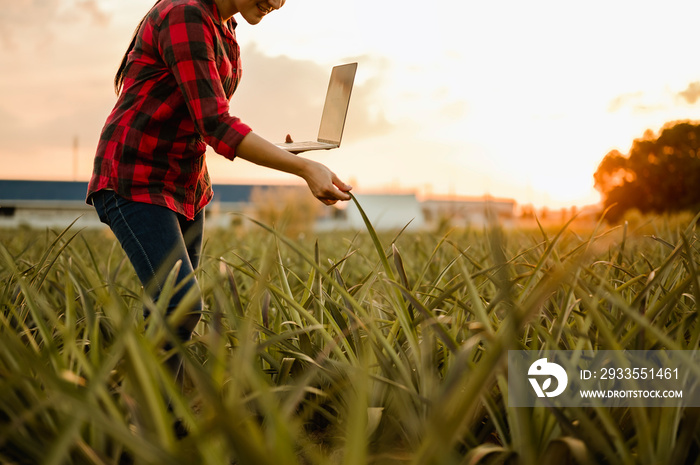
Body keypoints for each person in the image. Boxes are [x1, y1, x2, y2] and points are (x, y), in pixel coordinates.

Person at [85, 0, 353, 374]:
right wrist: (302, 167)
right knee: (180, 305)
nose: (278, 3)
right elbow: (215, 123)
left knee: (170, 312)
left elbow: (204, 115)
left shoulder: (225, 27)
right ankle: (140, 414)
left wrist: (284, 151)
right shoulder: (185, 14)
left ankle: (158, 417)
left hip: (185, 185)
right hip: (136, 177)